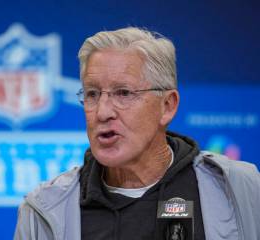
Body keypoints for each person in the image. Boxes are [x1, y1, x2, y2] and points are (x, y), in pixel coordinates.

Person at [14, 27, 260, 240]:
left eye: (123, 93)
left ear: (167, 106)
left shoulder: (240, 189)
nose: (102, 112)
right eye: (92, 94)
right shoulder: (42, 209)